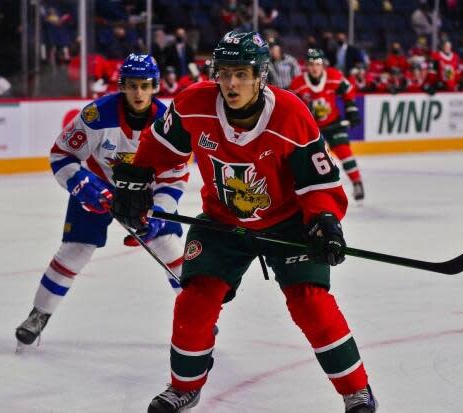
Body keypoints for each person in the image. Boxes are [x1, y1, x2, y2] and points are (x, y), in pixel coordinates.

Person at [111, 31, 377, 413]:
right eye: (224, 72)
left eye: (242, 73)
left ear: (260, 75)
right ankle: (183, 387)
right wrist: (137, 178)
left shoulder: (291, 114)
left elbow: (319, 182)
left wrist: (324, 220)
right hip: (222, 221)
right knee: (195, 300)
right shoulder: (192, 104)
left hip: (287, 223)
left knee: (310, 303)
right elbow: (160, 147)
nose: (232, 83)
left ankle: (357, 391)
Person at [14, 54, 187, 347]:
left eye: (145, 86)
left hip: (144, 193)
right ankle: (38, 314)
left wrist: (160, 212)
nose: (139, 93)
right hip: (98, 186)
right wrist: (83, 185)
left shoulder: (168, 123)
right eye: (132, 85)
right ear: (122, 85)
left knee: (168, 247)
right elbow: (61, 154)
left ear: (155, 86)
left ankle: (197, 316)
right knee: (75, 249)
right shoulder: (97, 115)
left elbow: (174, 175)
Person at [290, 49, 365, 201]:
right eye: (311, 64)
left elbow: (348, 90)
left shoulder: (333, 76)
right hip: (311, 128)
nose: (314, 68)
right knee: (312, 162)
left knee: (344, 151)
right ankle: (313, 193)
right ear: (306, 66)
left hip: (333, 122)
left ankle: (357, 183)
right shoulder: (298, 83)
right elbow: (291, 105)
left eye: (317, 63)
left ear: (323, 64)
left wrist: (351, 109)